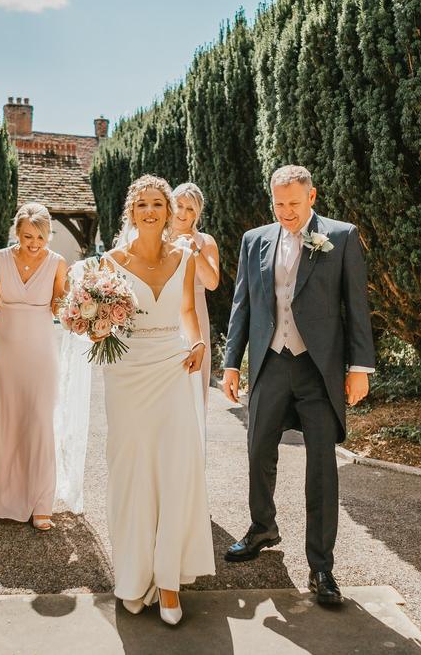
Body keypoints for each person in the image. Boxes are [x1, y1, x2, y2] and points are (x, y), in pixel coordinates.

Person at [220, 165, 375, 606]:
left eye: (293, 202)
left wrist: (359, 366)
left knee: (321, 466)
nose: (286, 211)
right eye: (279, 203)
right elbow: (242, 305)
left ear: (312, 197)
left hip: (318, 368)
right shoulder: (254, 240)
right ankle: (262, 527)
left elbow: (356, 305)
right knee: (257, 450)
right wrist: (231, 364)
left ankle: (321, 565)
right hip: (270, 362)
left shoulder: (341, 237)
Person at [98, 175, 214, 625]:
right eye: (142, 204)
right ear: (131, 212)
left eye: (157, 204)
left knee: (175, 470)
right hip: (127, 374)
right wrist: (93, 324)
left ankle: (168, 582)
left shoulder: (185, 258)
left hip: (172, 368)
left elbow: (187, 309)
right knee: (131, 474)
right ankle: (132, 575)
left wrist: (200, 342)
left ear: (169, 213)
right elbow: (102, 320)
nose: (150, 211)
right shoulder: (110, 261)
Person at [0, 202, 68, 531]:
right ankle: (5, 497)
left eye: (40, 237)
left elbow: (60, 304)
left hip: (40, 350)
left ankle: (41, 503)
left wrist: (86, 314)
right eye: (27, 236)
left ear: (48, 234)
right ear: (17, 232)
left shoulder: (57, 263)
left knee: (38, 420)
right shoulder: (0, 258)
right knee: (8, 418)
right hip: (6, 349)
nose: (34, 243)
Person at [171, 182, 220, 441]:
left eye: (190, 208)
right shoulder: (156, 237)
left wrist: (194, 249)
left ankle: (192, 453)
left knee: (193, 385)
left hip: (195, 316)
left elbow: (212, 282)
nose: (182, 213)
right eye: (179, 205)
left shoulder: (205, 241)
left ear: (196, 214)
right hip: (164, 314)